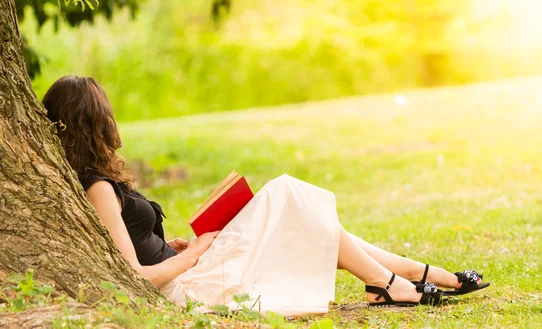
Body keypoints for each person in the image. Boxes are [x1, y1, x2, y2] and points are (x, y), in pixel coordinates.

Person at [43, 76, 489, 316]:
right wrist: (195, 253)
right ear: (94, 122)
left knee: (303, 216)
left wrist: (177, 243)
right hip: (189, 285)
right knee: (288, 194)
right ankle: (399, 281)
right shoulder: (97, 188)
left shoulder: (98, 182)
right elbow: (136, 277)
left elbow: (138, 248)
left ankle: (404, 279)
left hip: (189, 267)